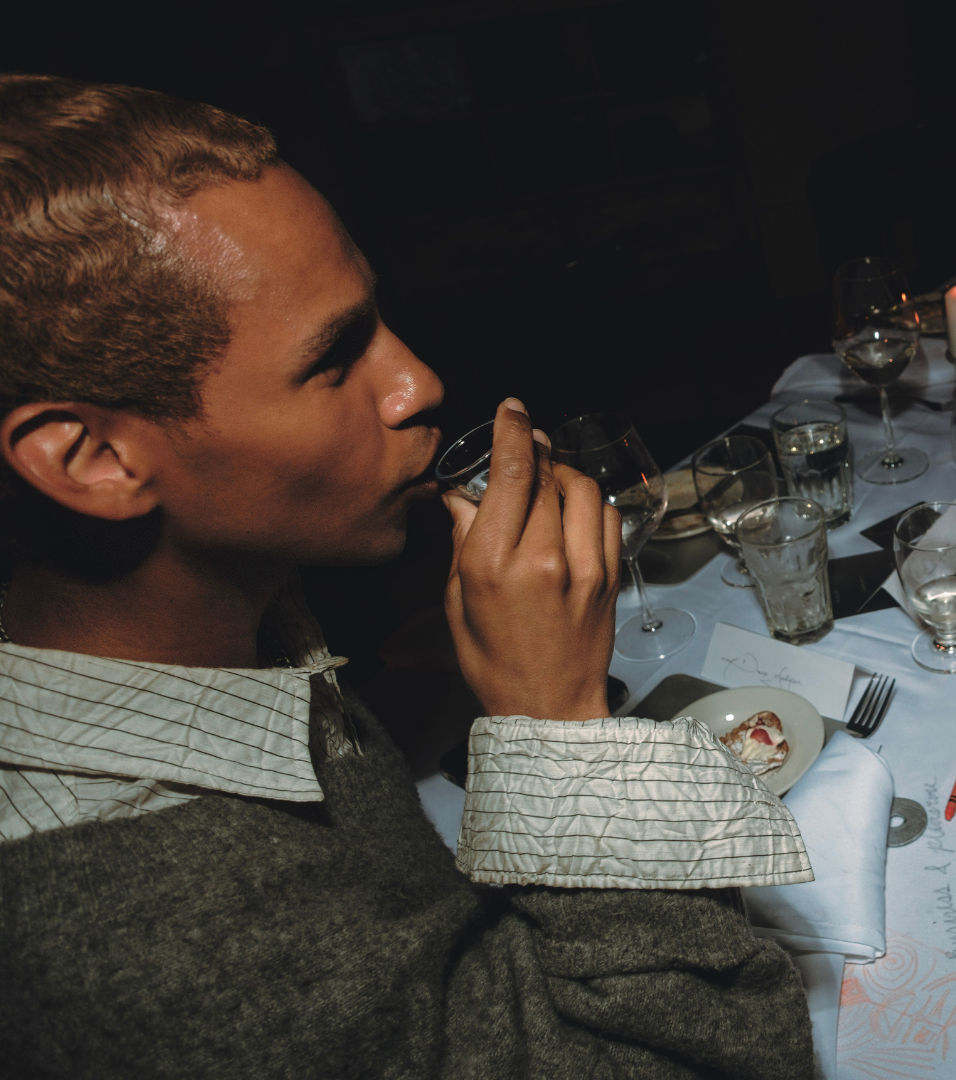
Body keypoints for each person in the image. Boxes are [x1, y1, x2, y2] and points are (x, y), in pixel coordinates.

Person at [0, 75, 815, 1077]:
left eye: (377, 317)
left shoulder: (237, 613)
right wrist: (559, 726)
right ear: (92, 458)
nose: (419, 382)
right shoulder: (147, 943)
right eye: (334, 357)